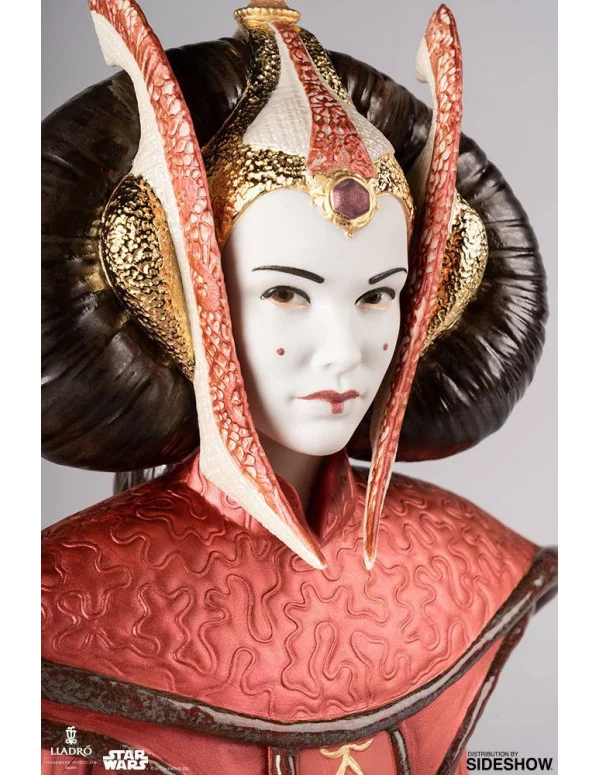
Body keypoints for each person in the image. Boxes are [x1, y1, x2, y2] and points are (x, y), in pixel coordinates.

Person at [41, 1, 557, 773]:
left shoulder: (464, 562)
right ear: (188, 297)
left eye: (377, 295)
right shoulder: (57, 598)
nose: (343, 352)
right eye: (286, 292)